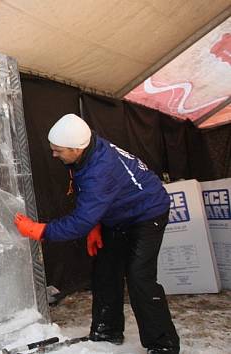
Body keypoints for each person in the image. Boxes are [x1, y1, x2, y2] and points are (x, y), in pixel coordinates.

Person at [14, 113, 180, 354]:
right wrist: (97, 224)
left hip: (147, 213)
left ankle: (163, 344)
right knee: (105, 271)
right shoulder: (84, 152)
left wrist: (41, 230)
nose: (53, 154)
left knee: (139, 277)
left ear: (77, 148)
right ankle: (107, 330)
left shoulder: (100, 170)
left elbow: (80, 220)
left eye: (58, 150)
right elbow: (90, 199)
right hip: (120, 213)